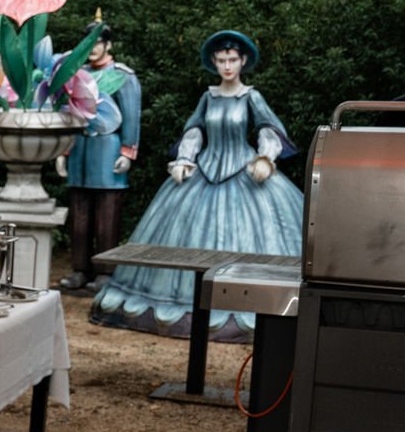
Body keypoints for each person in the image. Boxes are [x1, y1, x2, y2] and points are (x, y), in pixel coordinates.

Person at [92, 29, 301, 341]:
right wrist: (185, 159)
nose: (227, 66)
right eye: (221, 61)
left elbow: (268, 128)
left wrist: (265, 158)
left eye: (232, 60)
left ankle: (250, 305)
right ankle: (170, 303)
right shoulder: (209, 97)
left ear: (242, 61)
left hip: (244, 172)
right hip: (205, 171)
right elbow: (195, 130)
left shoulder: (251, 97)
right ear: (214, 64)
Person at [56, 17, 141, 292]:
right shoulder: (76, 74)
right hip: (81, 149)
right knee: (79, 215)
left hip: (107, 149)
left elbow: (132, 116)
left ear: (108, 45)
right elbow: (69, 114)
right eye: (87, 43)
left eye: (98, 43)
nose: (92, 48)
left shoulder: (122, 75)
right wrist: (64, 150)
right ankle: (80, 269)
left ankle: (105, 271)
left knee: (107, 214)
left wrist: (128, 151)